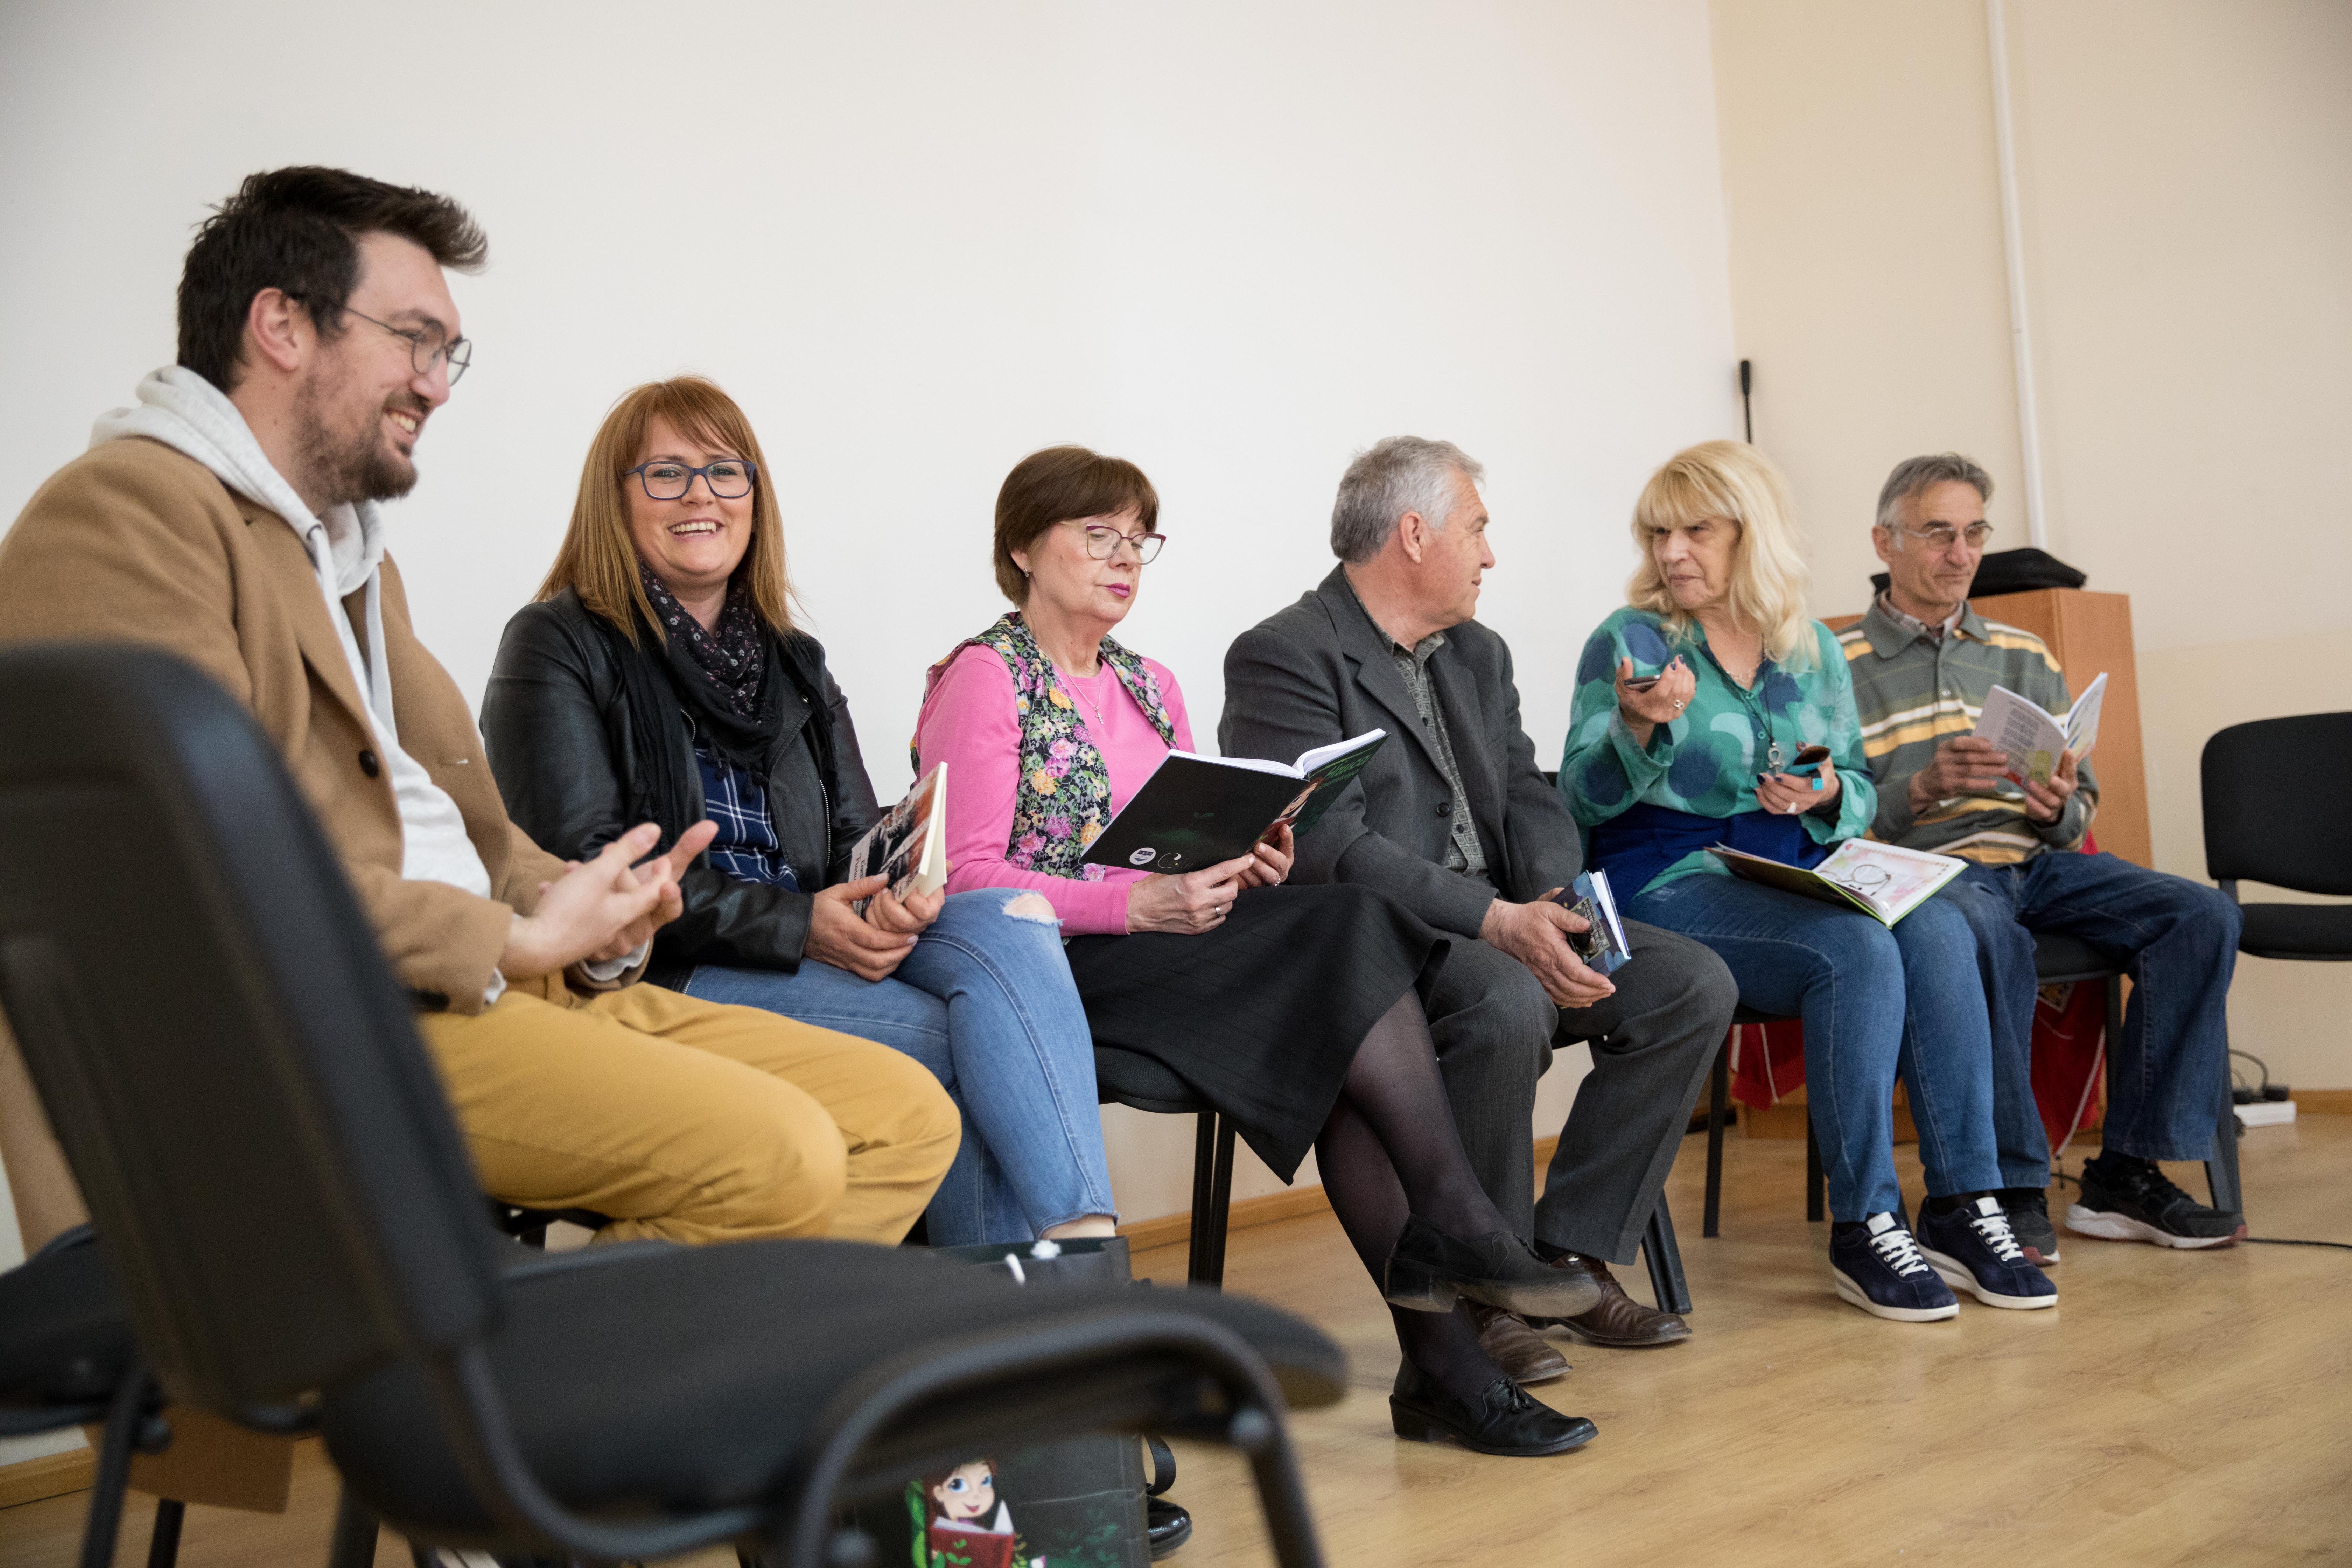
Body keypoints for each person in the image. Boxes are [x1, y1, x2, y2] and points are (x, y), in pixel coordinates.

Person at [0, 167, 958, 1249]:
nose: (437, 386)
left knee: (904, 1119)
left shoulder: (352, 564)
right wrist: (511, 932)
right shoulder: (127, 513)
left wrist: (598, 909)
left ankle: (615, 1353)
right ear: (282, 327)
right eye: (414, 340)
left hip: (514, 987)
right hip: (344, 1019)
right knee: (783, 1154)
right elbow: (173, 873)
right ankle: (534, 1361)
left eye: (447, 353)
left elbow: (474, 841)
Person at [916, 445, 1601, 1458]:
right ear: (1022, 548)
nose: (1125, 558)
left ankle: (1450, 1351)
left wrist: (1248, 858)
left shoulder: (1149, 683)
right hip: (1059, 971)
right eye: (1097, 536)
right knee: (1346, 974)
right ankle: (1457, 1268)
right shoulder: (985, 676)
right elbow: (967, 880)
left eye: (1138, 539)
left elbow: (1177, 845)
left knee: (1343, 957)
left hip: (1176, 945)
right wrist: (1135, 906)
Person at [483, 376, 1116, 1247]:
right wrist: (801, 926)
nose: (701, 495)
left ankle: (1081, 1242)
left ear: (755, 496)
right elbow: (586, 873)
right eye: (666, 473)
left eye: (725, 471)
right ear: (615, 498)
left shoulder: (795, 660)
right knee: (952, 1038)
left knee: (1013, 914)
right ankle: (1010, 1296)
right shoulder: (556, 641)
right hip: (669, 964)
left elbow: (855, 840)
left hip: (816, 939)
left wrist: (894, 895)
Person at [1219, 436, 1739, 1382]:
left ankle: (1569, 1253)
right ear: (1415, 535)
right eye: (1478, 529)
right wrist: (1497, 921)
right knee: (1506, 997)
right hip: (1383, 941)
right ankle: (1486, 1292)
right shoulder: (1285, 654)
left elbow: (1527, 791)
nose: (1491, 555)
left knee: (1690, 983)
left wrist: (1551, 899)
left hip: (1506, 916)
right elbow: (1329, 849)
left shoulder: (1478, 653)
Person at [1561, 440, 2054, 1321]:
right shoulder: (1630, 639)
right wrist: (1636, 730)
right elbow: (1580, 798)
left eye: (1696, 531)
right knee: (1852, 948)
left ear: (1751, 533)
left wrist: (1824, 792)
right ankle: (1865, 1221)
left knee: (1941, 925)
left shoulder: (1811, 645)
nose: (1673, 552)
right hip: (1664, 873)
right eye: (1659, 533)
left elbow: (1856, 785)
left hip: (1788, 863)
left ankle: (1963, 1200)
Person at [1840, 453, 2244, 1259]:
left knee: (2201, 914)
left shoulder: (2024, 652)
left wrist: (2058, 805)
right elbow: (1826, 815)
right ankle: (2008, 1183)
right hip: (1927, 870)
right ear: (1885, 542)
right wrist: (1920, 787)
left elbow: (2079, 800)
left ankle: (2125, 1172)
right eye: (1939, 533)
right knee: (1984, 930)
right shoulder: (1832, 660)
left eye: (1975, 533)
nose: (1961, 554)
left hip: (2033, 860)